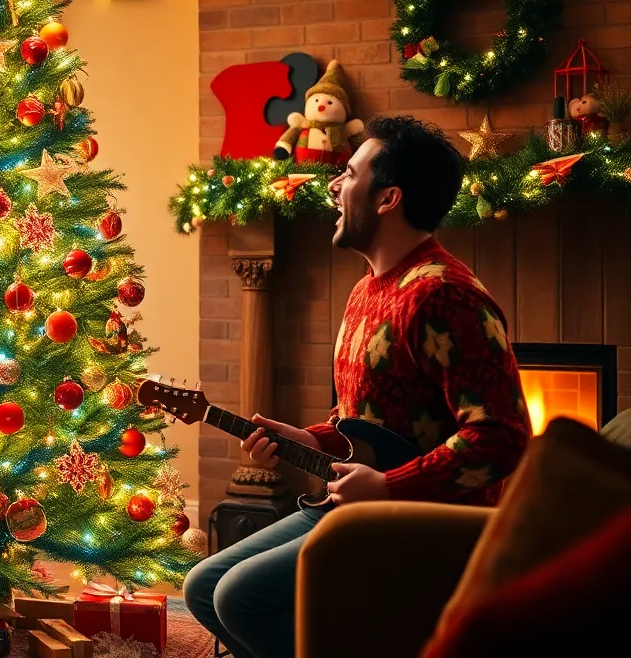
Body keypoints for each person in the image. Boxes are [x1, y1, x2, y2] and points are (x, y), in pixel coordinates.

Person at [182, 116, 532, 658]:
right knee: (202, 588)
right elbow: (366, 421)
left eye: (348, 173)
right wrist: (310, 438)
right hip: (364, 503)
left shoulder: (444, 295)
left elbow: (503, 436)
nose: (333, 185)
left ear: (389, 198)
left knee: (241, 597)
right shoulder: (367, 290)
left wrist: (390, 488)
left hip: (427, 520)